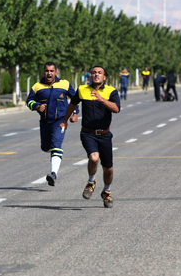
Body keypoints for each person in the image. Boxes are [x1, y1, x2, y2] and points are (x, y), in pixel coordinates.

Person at [59, 66, 120, 208]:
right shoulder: (82, 90)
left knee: (108, 169)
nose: (96, 75)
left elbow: (116, 109)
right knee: (93, 157)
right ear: (90, 76)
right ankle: (91, 182)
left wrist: (102, 100)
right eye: (94, 73)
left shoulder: (111, 91)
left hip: (105, 135)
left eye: (99, 73)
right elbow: (72, 104)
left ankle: (107, 192)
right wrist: (65, 120)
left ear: (104, 77)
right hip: (88, 133)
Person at [26, 62, 78, 186]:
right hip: (44, 122)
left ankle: (53, 173)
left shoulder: (64, 84)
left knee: (56, 145)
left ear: (56, 72)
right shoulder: (37, 86)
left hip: (60, 121)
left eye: (51, 71)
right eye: (46, 71)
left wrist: (75, 113)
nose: (49, 73)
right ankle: (53, 160)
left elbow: (75, 99)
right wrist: (37, 106)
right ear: (43, 72)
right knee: (45, 147)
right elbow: (29, 101)